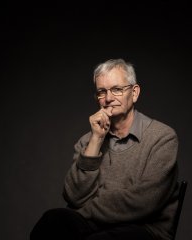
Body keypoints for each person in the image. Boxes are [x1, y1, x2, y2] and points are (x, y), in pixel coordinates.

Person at [30, 59, 180, 240]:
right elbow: (73, 197)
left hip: (145, 231)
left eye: (117, 89)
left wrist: (85, 210)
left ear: (134, 93)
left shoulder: (162, 137)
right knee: (52, 221)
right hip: (95, 226)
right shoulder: (87, 140)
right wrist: (96, 139)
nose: (108, 98)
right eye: (102, 92)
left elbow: (144, 202)